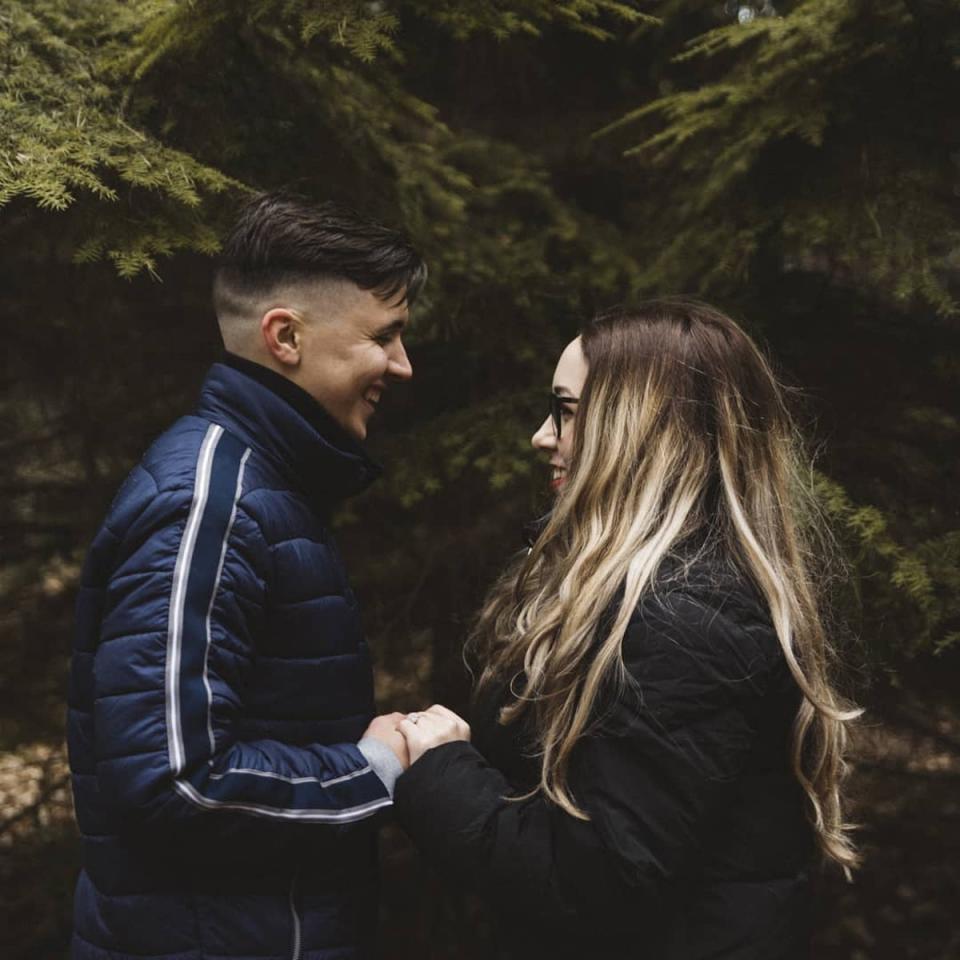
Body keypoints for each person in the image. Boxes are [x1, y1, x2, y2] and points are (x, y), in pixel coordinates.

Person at [393, 299, 860, 959]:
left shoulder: (682, 621)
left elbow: (597, 887)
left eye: (566, 410)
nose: (541, 436)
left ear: (639, 429)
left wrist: (441, 771)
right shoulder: (668, 599)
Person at [66, 193, 425, 960]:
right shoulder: (211, 503)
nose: (402, 364)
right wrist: (375, 770)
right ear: (286, 336)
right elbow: (177, 779)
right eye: (384, 336)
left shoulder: (263, 485)